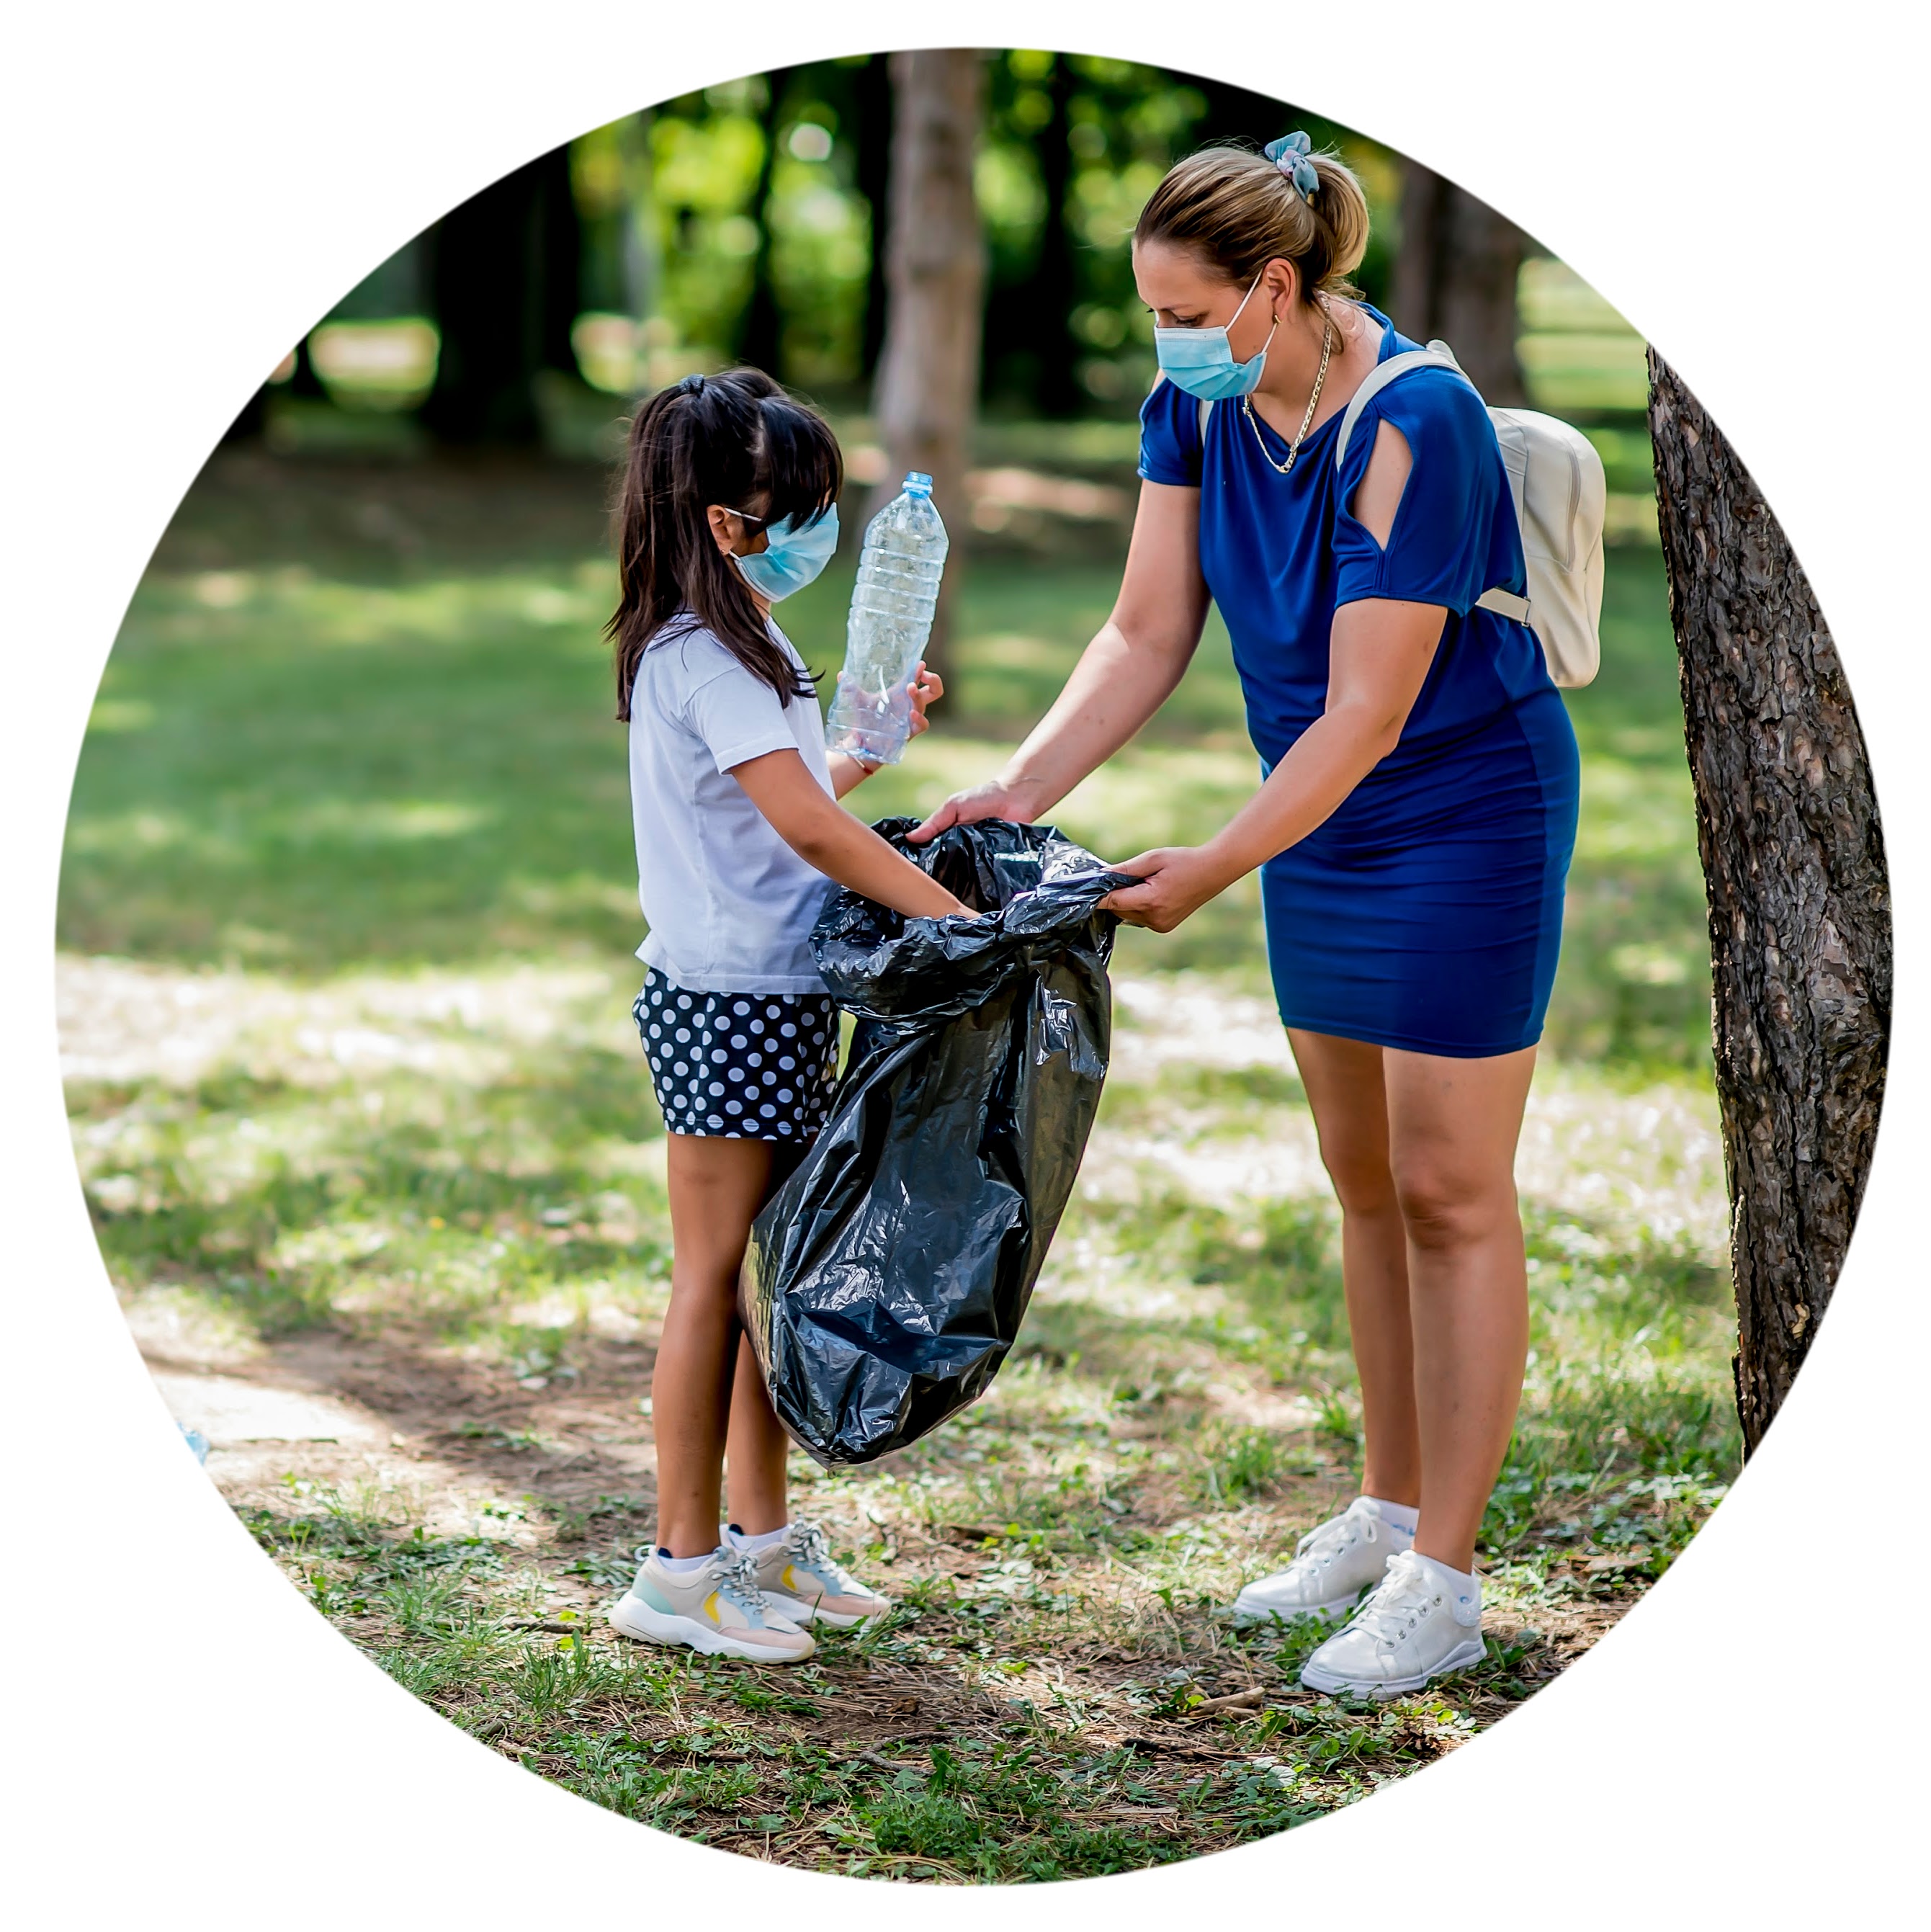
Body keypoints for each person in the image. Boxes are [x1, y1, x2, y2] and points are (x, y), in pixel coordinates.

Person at [913, 138, 1580, 1696]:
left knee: (1449, 1185)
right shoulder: (1194, 410)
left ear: (1275, 289)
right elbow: (1145, 632)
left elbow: (1362, 715)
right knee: (1363, 1180)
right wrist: (1016, 789)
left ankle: (1448, 1580)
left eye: (1180, 310)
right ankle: (1386, 1509)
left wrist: (1210, 864)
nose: (1163, 342)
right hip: (1319, 822)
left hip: (1457, 815)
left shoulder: (1418, 423)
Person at [604, 367, 964, 1663]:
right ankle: (677, 1569)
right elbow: (809, 825)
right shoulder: (709, 654)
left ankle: (759, 1544)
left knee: (766, 1280)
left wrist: (872, 748)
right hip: (726, 1002)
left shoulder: (729, 644)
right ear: (721, 523)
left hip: (769, 990)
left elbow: (793, 803)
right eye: (795, 509)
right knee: (714, 1279)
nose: (819, 531)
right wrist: (954, 923)